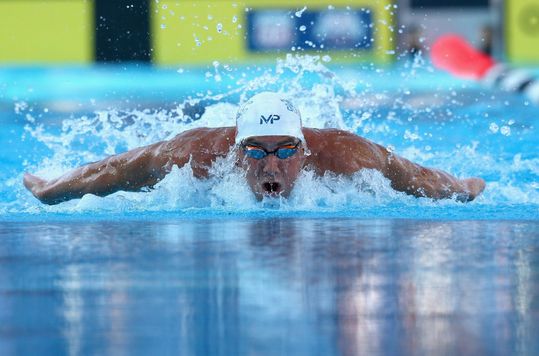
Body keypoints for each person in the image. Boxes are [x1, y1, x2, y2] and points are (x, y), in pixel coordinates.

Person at [23, 92, 485, 205]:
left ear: (304, 151)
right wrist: (53, 188)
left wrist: (462, 188)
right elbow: (118, 169)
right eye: (257, 152)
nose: (271, 164)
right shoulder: (198, 155)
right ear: (237, 152)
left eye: (286, 151)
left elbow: (416, 177)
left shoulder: (347, 156)